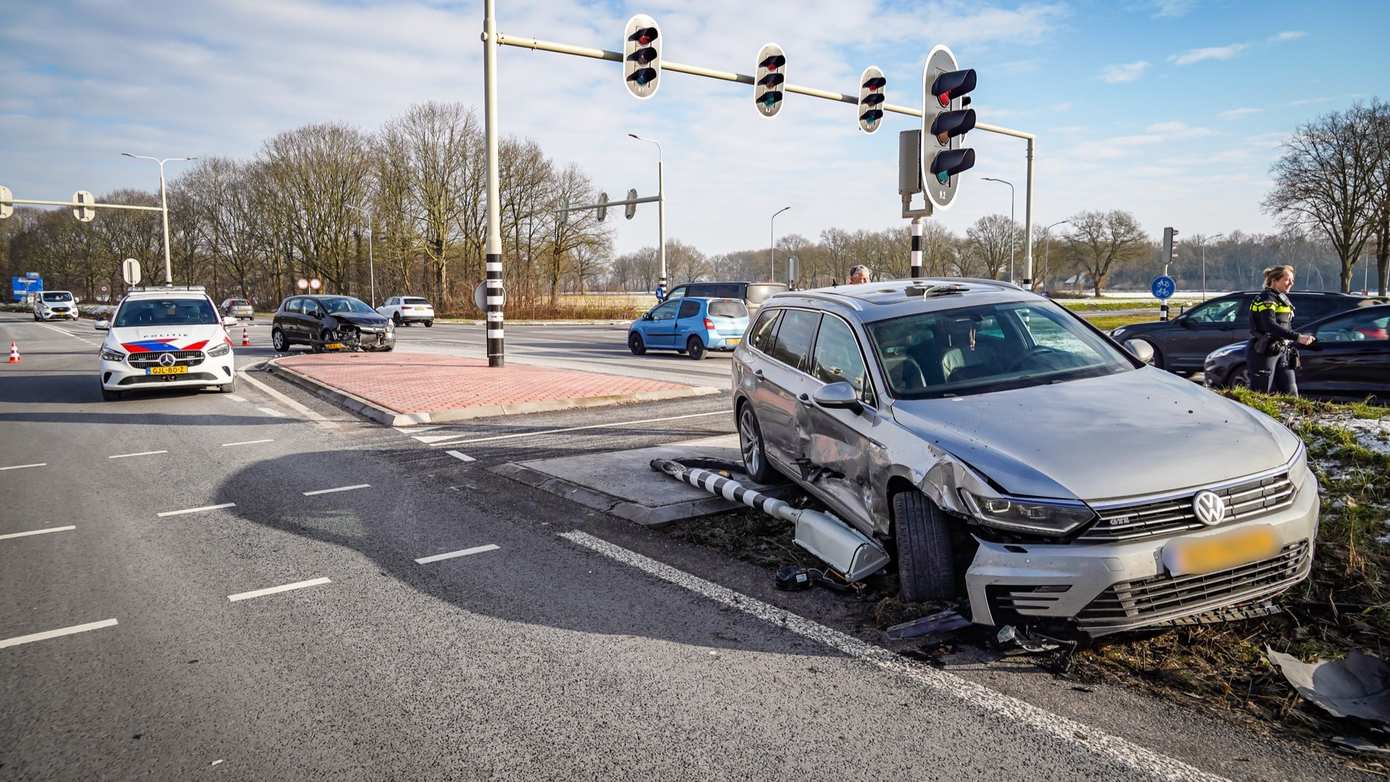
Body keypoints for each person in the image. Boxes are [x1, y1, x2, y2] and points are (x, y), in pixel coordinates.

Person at [1247, 264, 1315, 395]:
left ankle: (1291, 416)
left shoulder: (1282, 298)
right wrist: (1298, 337)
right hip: (1265, 351)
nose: (1291, 283)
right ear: (1274, 280)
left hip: (1282, 350)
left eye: (1292, 280)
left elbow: (1284, 325)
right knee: (1261, 394)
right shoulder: (1266, 298)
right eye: (1287, 279)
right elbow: (1269, 326)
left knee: (1291, 393)